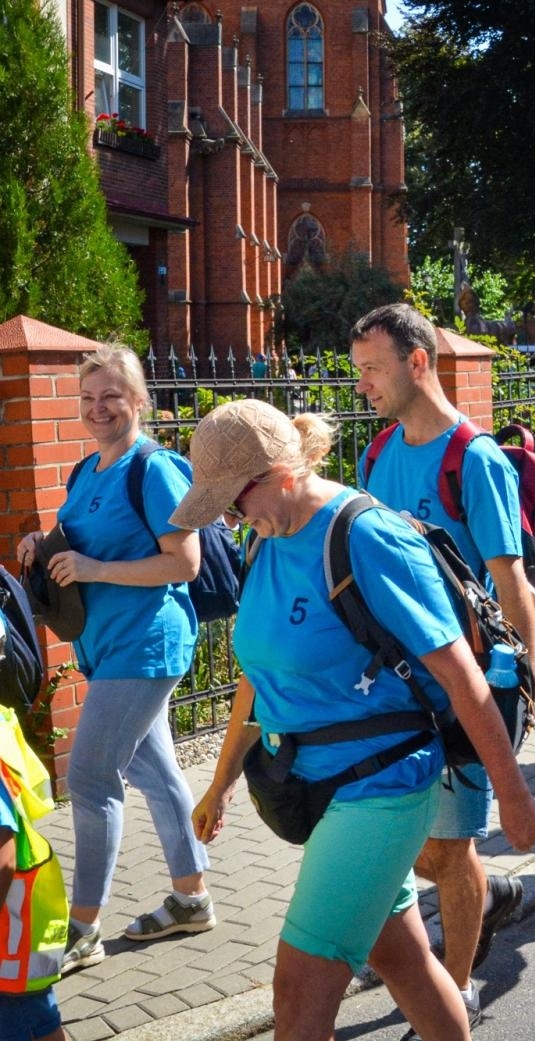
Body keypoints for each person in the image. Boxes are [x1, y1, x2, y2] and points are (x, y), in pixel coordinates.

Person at [179, 400, 535, 1041]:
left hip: (381, 784)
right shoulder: (265, 538)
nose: (232, 519)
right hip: (316, 781)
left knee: (295, 996)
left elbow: (461, 677)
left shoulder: (366, 536)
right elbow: (258, 675)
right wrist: (220, 780)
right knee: (400, 958)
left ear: (279, 473)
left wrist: (513, 794)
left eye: (234, 502)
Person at [349, 302, 535, 1028]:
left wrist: (522, 682)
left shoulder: (475, 457)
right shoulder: (376, 455)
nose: (363, 384)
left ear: (418, 361)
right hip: (395, 687)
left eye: (373, 368)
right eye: (359, 370)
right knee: (427, 853)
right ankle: (486, 894)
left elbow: (510, 579)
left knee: (451, 845)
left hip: (465, 686)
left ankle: (456, 985)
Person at [14, 345, 213, 974]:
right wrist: (39, 545)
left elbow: (185, 564)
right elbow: (77, 540)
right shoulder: (86, 470)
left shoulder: (154, 469)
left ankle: (82, 928)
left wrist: (96, 568)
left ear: (139, 400)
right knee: (155, 775)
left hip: (146, 644)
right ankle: (192, 899)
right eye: (89, 397)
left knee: (94, 779)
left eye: (112, 396)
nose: (99, 408)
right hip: (104, 645)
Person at [1, 703, 68, 1041]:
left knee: (28, 1020)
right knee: (38, 1019)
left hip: (10, 945)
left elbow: (3, 858)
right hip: (16, 941)